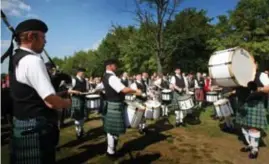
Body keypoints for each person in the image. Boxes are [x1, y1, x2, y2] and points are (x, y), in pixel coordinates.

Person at [6, 19, 71, 164]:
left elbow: (30, 94)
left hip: (24, 123)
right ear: (30, 37)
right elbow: (51, 103)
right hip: (37, 127)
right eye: (43, 37)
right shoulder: (32, 60)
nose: (45, 41)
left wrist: (56, 95)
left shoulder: (16, 58)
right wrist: (67, 102)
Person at [102, 59, 142, 158]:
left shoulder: (106, 76)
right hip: (114, 105)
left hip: (112, 104)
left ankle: (111, 150)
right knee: (113, 130)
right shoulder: (112, 77)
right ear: (110, 66)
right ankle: (111, 152)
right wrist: (136, 91)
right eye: (115, 65)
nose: (116, 66)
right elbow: (124, 89)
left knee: (112, 129)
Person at [236, 81, 268, 159]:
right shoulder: (240, 76)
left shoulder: (260, 75)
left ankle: (254, 149)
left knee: (254, 128)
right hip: (243, 103)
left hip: (255, 104)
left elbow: (267, 88)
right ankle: (250, 145)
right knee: (244, 127)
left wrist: (257, 91)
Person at [68, 68, 89, 139]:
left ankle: (81, 129)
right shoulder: (74, 80)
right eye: (83, 73)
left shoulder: (85, 81)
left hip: (83, 99)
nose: (84, 74)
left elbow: (87, 90)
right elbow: (69, 90)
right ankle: (78, 131)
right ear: (79, 73)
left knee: (83, 115)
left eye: (84, 73)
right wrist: (75, 92)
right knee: (77, 116)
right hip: (76, 99)